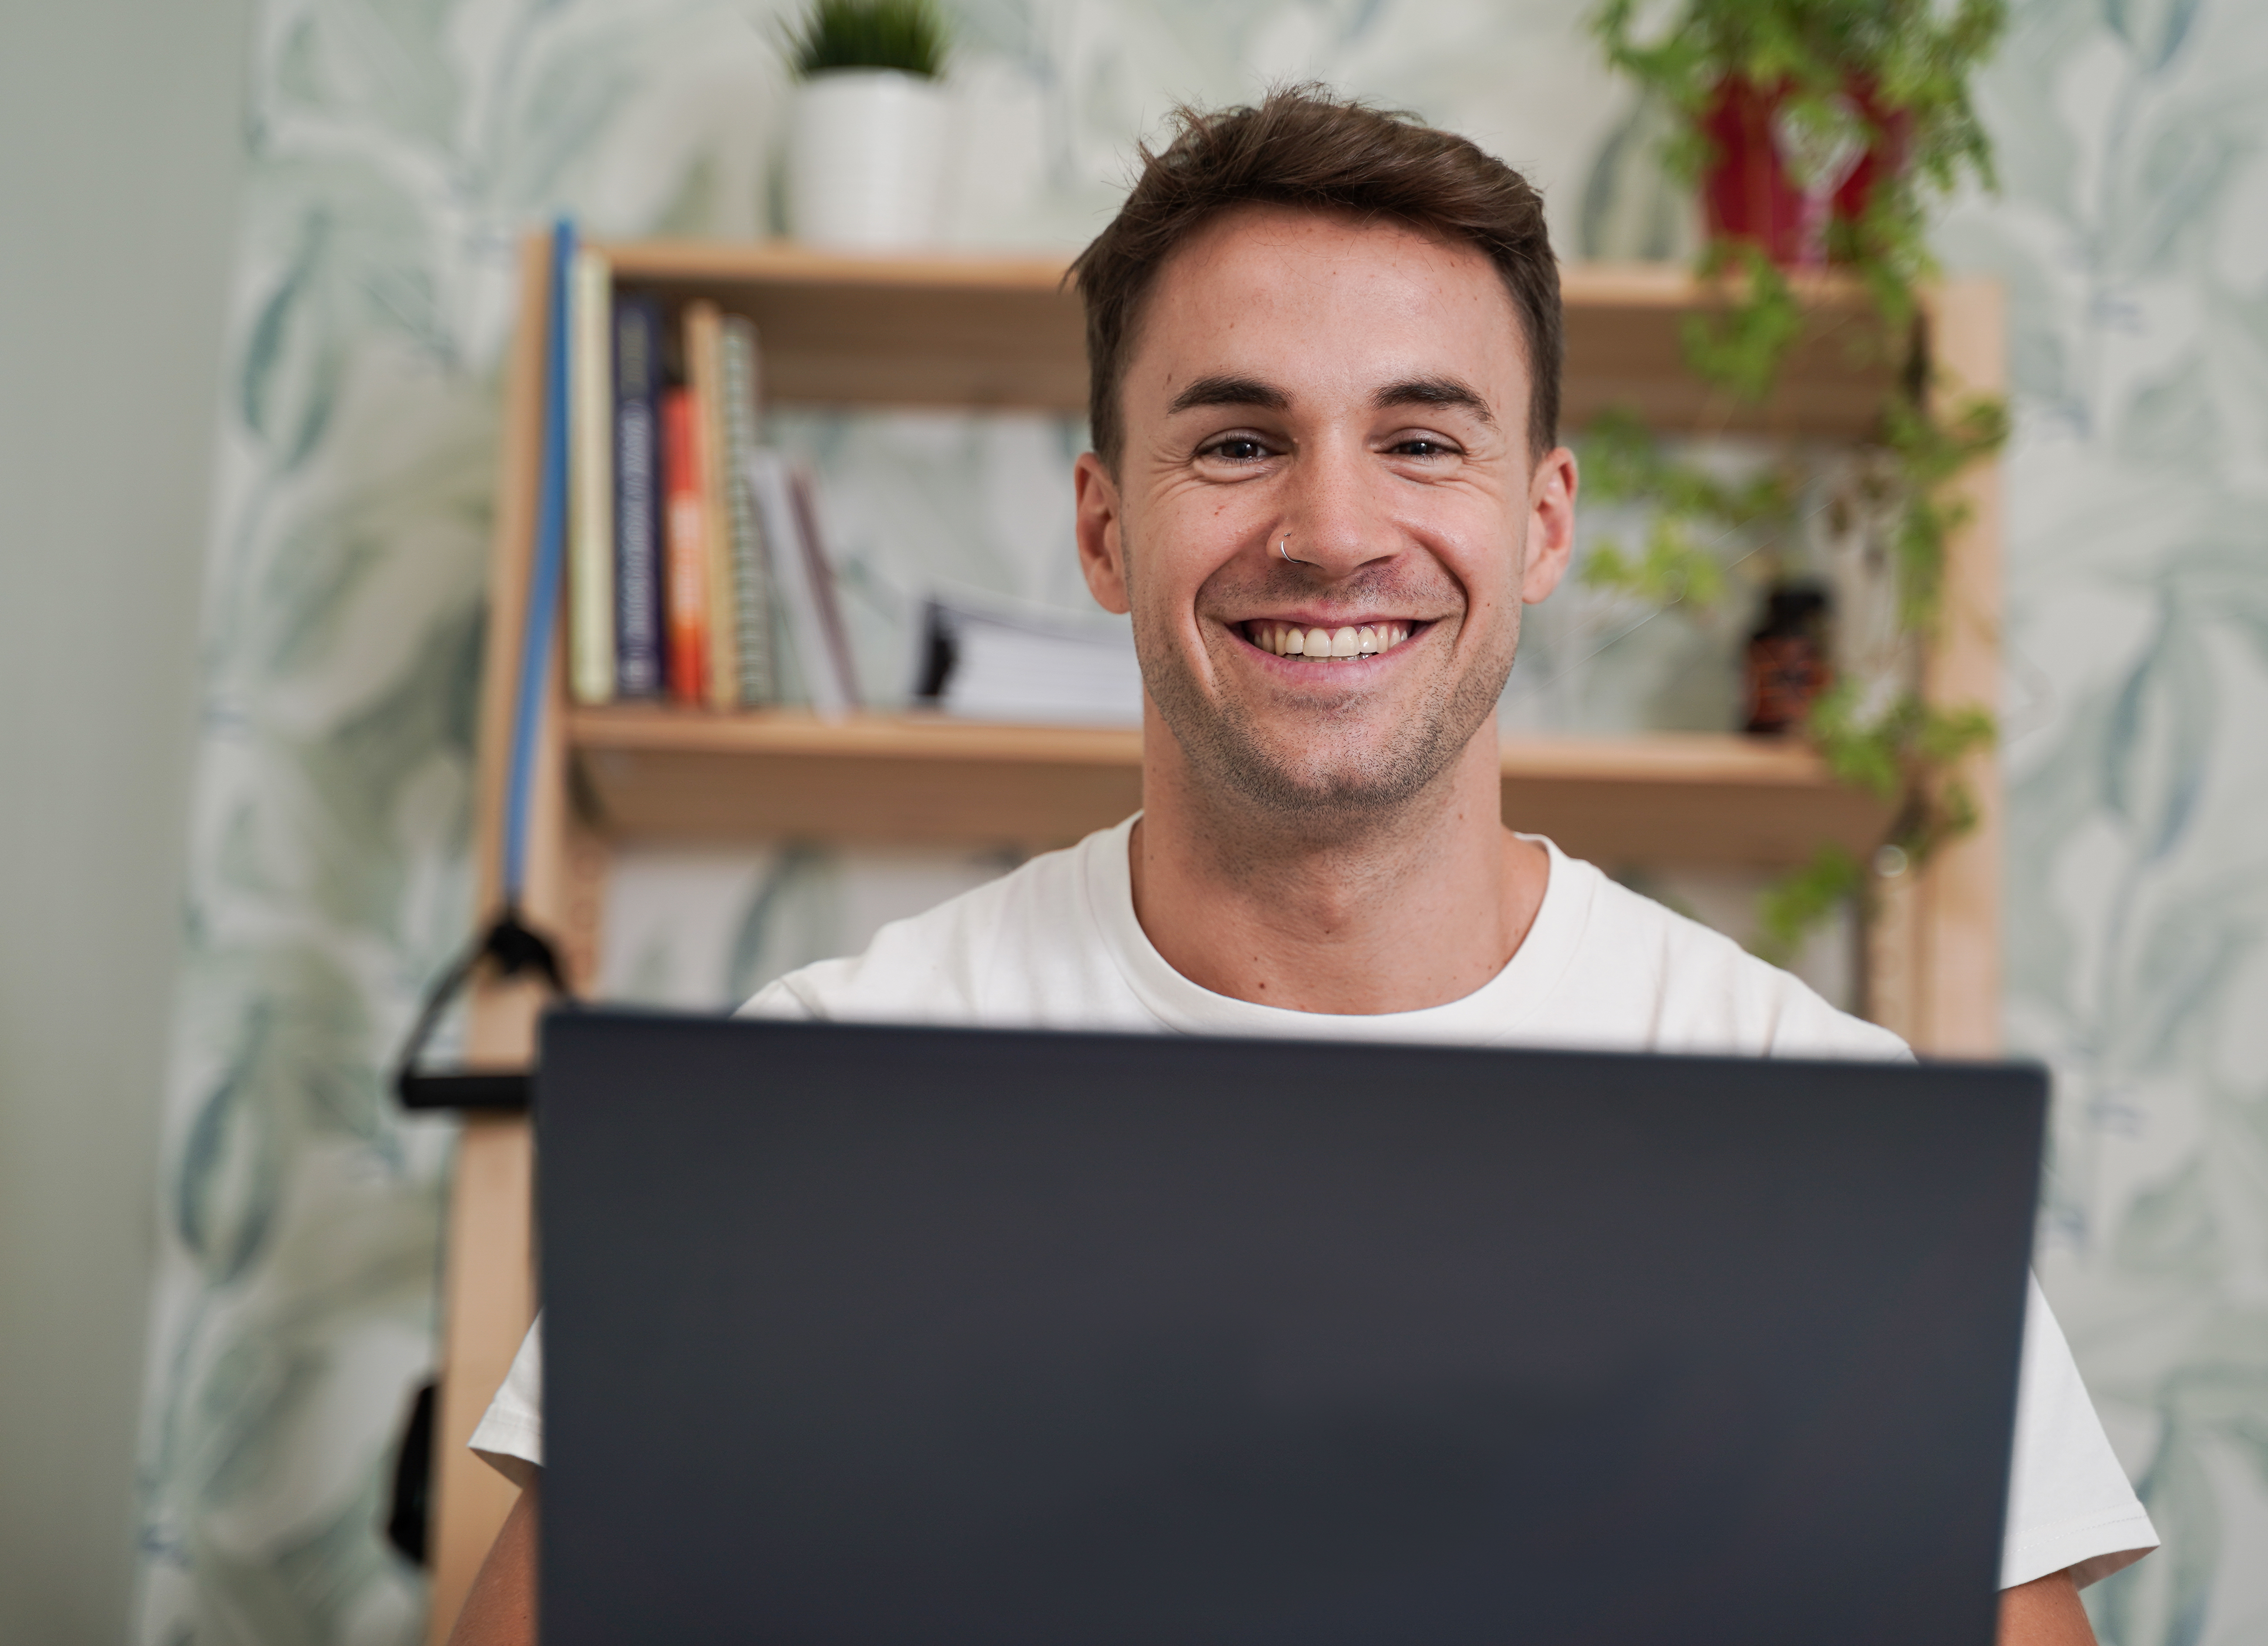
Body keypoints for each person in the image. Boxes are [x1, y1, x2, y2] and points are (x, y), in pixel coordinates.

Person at [446, 88, 2156, 1646]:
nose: (1334, 530)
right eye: (1239, 439)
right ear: (1107, 527)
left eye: (1423, 438)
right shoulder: (804, 1113)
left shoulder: (1822, 1132)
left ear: (1543, 519)